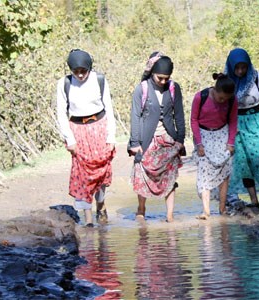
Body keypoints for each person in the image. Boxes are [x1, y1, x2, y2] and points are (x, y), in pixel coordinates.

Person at [55, 49, 116, 227]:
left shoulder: (100, 80)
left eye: (84, 71)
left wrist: (111, 136)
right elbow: (60, 113)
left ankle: (101, 203)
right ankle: (88, 217)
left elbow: (109, 109)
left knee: (101, 170)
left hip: (99, 127)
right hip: (77, 130)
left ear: (90, 68)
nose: (80, 75)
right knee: (82, 174)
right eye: (76, 71)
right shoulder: (64, 83)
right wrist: (69, 138)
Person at [128, 54, 186, 223]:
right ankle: (141, 209)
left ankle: (169, 215)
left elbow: (179, 115)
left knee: (170, 176)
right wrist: (135, 143)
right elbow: (135, 116)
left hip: (168, 140)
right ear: (152, 72)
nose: (162, 81)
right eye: (159, 78)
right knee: (141, 173)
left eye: (166, 79)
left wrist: (180, 139)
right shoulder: (142, 89)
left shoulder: (174, 88)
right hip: (147, 140)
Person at [224, 48, 259, 208]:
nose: (241, 71)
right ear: (231, 66)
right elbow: (225, 105)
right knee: (243, 162)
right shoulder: (227, 80)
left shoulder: (256, 77)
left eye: (244, 67)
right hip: (239, 124)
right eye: (237, 67)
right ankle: (253, 199)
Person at [190, 73, 239, 220]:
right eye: (221, 98)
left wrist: (231, 143)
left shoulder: (232, 101)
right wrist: (199, 143)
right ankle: (206, 211)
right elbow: (193, 120)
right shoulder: (201, 97)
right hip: (204, 136)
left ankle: (222, 209)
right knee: (205, 172)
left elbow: (233, 121)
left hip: (222, 135)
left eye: (226, 99)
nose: (223, 101)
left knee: (224, 173)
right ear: (215, 90)